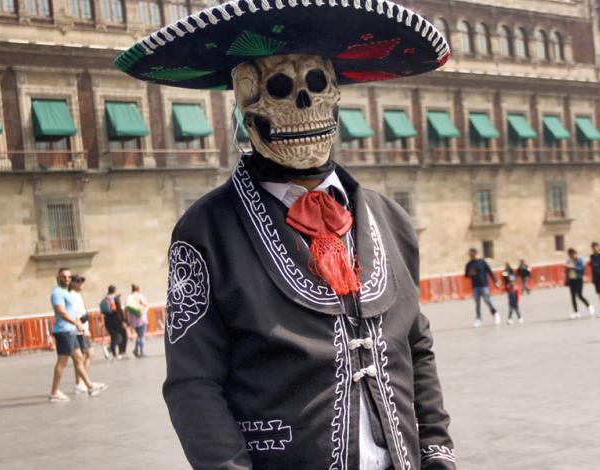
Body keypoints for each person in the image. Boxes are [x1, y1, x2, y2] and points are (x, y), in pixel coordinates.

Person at [117, 5, 456, 467]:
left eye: (316, 85)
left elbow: (416, 345)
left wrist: (437, 449)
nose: (303, 102)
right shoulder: (206, 230)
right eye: (278, 89)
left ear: (334, 96)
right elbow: (193, 383)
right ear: (245, 105)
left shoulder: (390, 218)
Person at [48, 268, 106, 402]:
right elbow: (61, 312)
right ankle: (54, 393)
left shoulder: (65, 292)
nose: (67, 279)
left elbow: (71, 311)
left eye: (69, 277)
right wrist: (76, 323)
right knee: (62, 362)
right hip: (63, 331)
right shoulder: (57, 292)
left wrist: (79, 326)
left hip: (71, 330)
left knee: (79, 358)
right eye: (64, 277)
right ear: (57, 278)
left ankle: (89, 386)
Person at [68, 275, 94, 395]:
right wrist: (83, 325)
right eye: (78, 281)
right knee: (85, 356)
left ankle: (81, 382)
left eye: (81, 281)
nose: (80, 284)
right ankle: (80, 382)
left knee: (84, 356)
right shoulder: (72, 296)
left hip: (83, 328)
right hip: (79, 330)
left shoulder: (77, 295)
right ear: (72, 283)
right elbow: (74, 314)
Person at [465, 247, 499, 327]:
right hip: (475, 286)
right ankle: (478, 319)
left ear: (475, 253)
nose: (470, 256)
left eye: (471, 254)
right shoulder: (469, 264)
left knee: (487, 300)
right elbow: (466, 275)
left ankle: (495, 314)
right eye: (469, 255)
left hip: (484, 285)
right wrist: (470, 273)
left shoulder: (482, 262)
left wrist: (495, 281)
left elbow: (490, 271)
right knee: (477, 303)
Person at [100, 285, 128, 360]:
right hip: (116, 319)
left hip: (108, 320)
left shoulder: (105, 299)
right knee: (122, 336)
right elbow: (119, 310)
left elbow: (102, 311)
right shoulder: (116, 298)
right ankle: (121, 352)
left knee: (114, 336)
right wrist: (124, 320)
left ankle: (114, 354)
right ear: (114, 290)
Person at [565, 248, 594, 319]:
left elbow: (582, 269)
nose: (571, 256)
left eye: (572, 254)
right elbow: (566, 270)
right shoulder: (568, 261)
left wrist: (573, 267)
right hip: (571, 279)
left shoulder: (580, 259)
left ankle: (589, 306)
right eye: (569, 255)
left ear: (575, 254)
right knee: (572, 296)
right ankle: (576, 312)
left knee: (579, 295)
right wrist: (566, 279)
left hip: (579, 279)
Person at [125, 284, 149, 358]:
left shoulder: (129, 297)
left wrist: (128, 319)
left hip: (133, 320)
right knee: (141, 336)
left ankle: (135, 350)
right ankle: (141, 352)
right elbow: (146, 305)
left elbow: (126, 309)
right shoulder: (140, 296)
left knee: (138, 335)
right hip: (142, 318)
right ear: (138, 289)